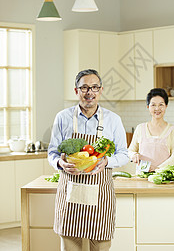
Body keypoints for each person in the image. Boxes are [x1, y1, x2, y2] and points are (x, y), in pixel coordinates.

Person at [48, 69, 129, 251]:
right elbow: (52, 153)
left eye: (94, 87)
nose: (89, 92)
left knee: (100, 245)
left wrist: (107, 161)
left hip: (100, 194)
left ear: (101, 90)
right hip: (70, 194)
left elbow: (124, 154)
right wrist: (60, 163)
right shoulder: (62, 118)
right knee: (70, 245)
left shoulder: (113, 120)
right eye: (84, 87)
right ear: (76, 91)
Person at [128, 88, 174, 171]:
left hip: (162, 176)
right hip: (142, 175)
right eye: (153, 105)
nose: (157, 109)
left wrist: (158, 169)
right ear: (148, 106)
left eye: (161, 105)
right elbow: (131, 150)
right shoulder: (140, 128)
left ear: (166, 106)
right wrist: (133, 155)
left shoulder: (173, 130)